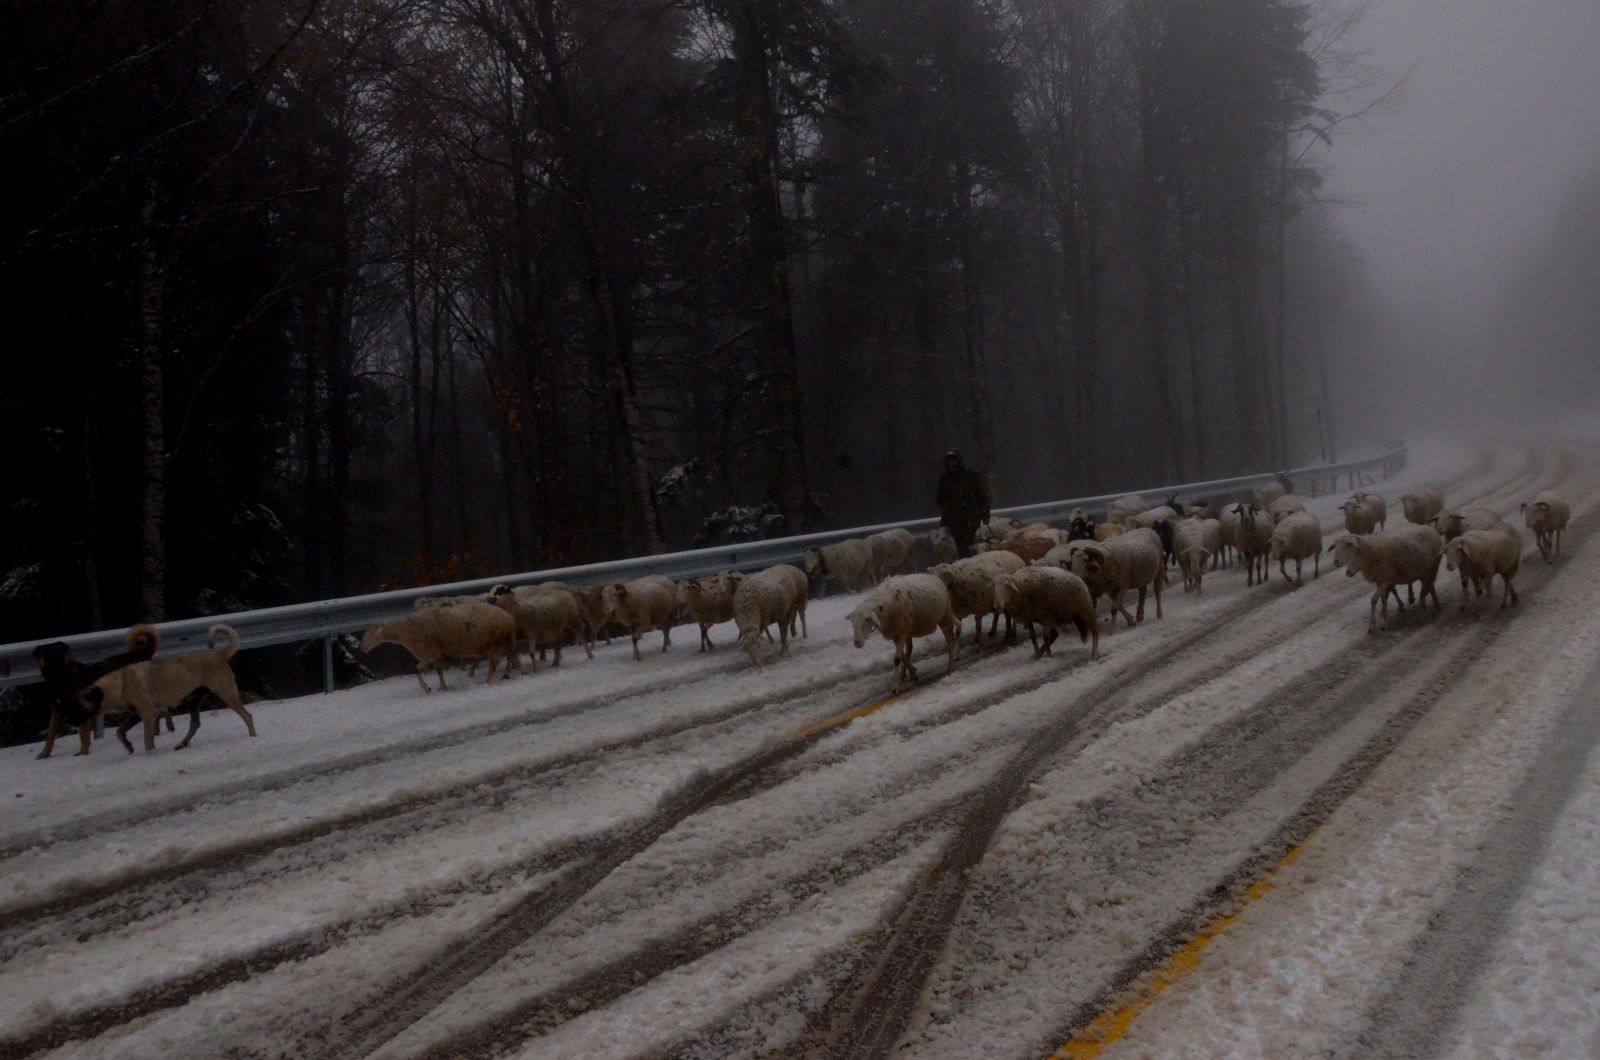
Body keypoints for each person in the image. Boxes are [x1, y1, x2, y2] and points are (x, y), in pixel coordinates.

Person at [936, 450, 989, 558]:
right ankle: (965, 567)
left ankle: (972, 566)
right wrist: (946, 511)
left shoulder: (970, 475)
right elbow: (940, 499)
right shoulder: (945, 479)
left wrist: (985, 513)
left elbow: (982, 496)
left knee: (970, 545)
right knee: (960, 548)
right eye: (949, 463)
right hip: (954, 521)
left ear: (958, 462)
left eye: (953, 462)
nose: (951, 465)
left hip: (971, 518)